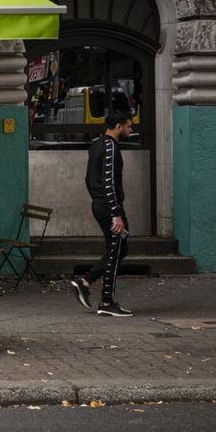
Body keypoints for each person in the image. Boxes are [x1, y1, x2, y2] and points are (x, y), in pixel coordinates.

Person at [69, 111, 134, 317]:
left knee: (119, 248)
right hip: (109, 207)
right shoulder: (110, 146)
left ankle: (86, 282)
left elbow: (89, 179)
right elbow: (109, 182)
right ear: (118, 126)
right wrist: (115, 212)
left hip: (101, 204)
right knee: (117, 248)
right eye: (129, 126)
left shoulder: (96, 144)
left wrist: (98, 201)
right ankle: (106, 302)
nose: (131, 130)